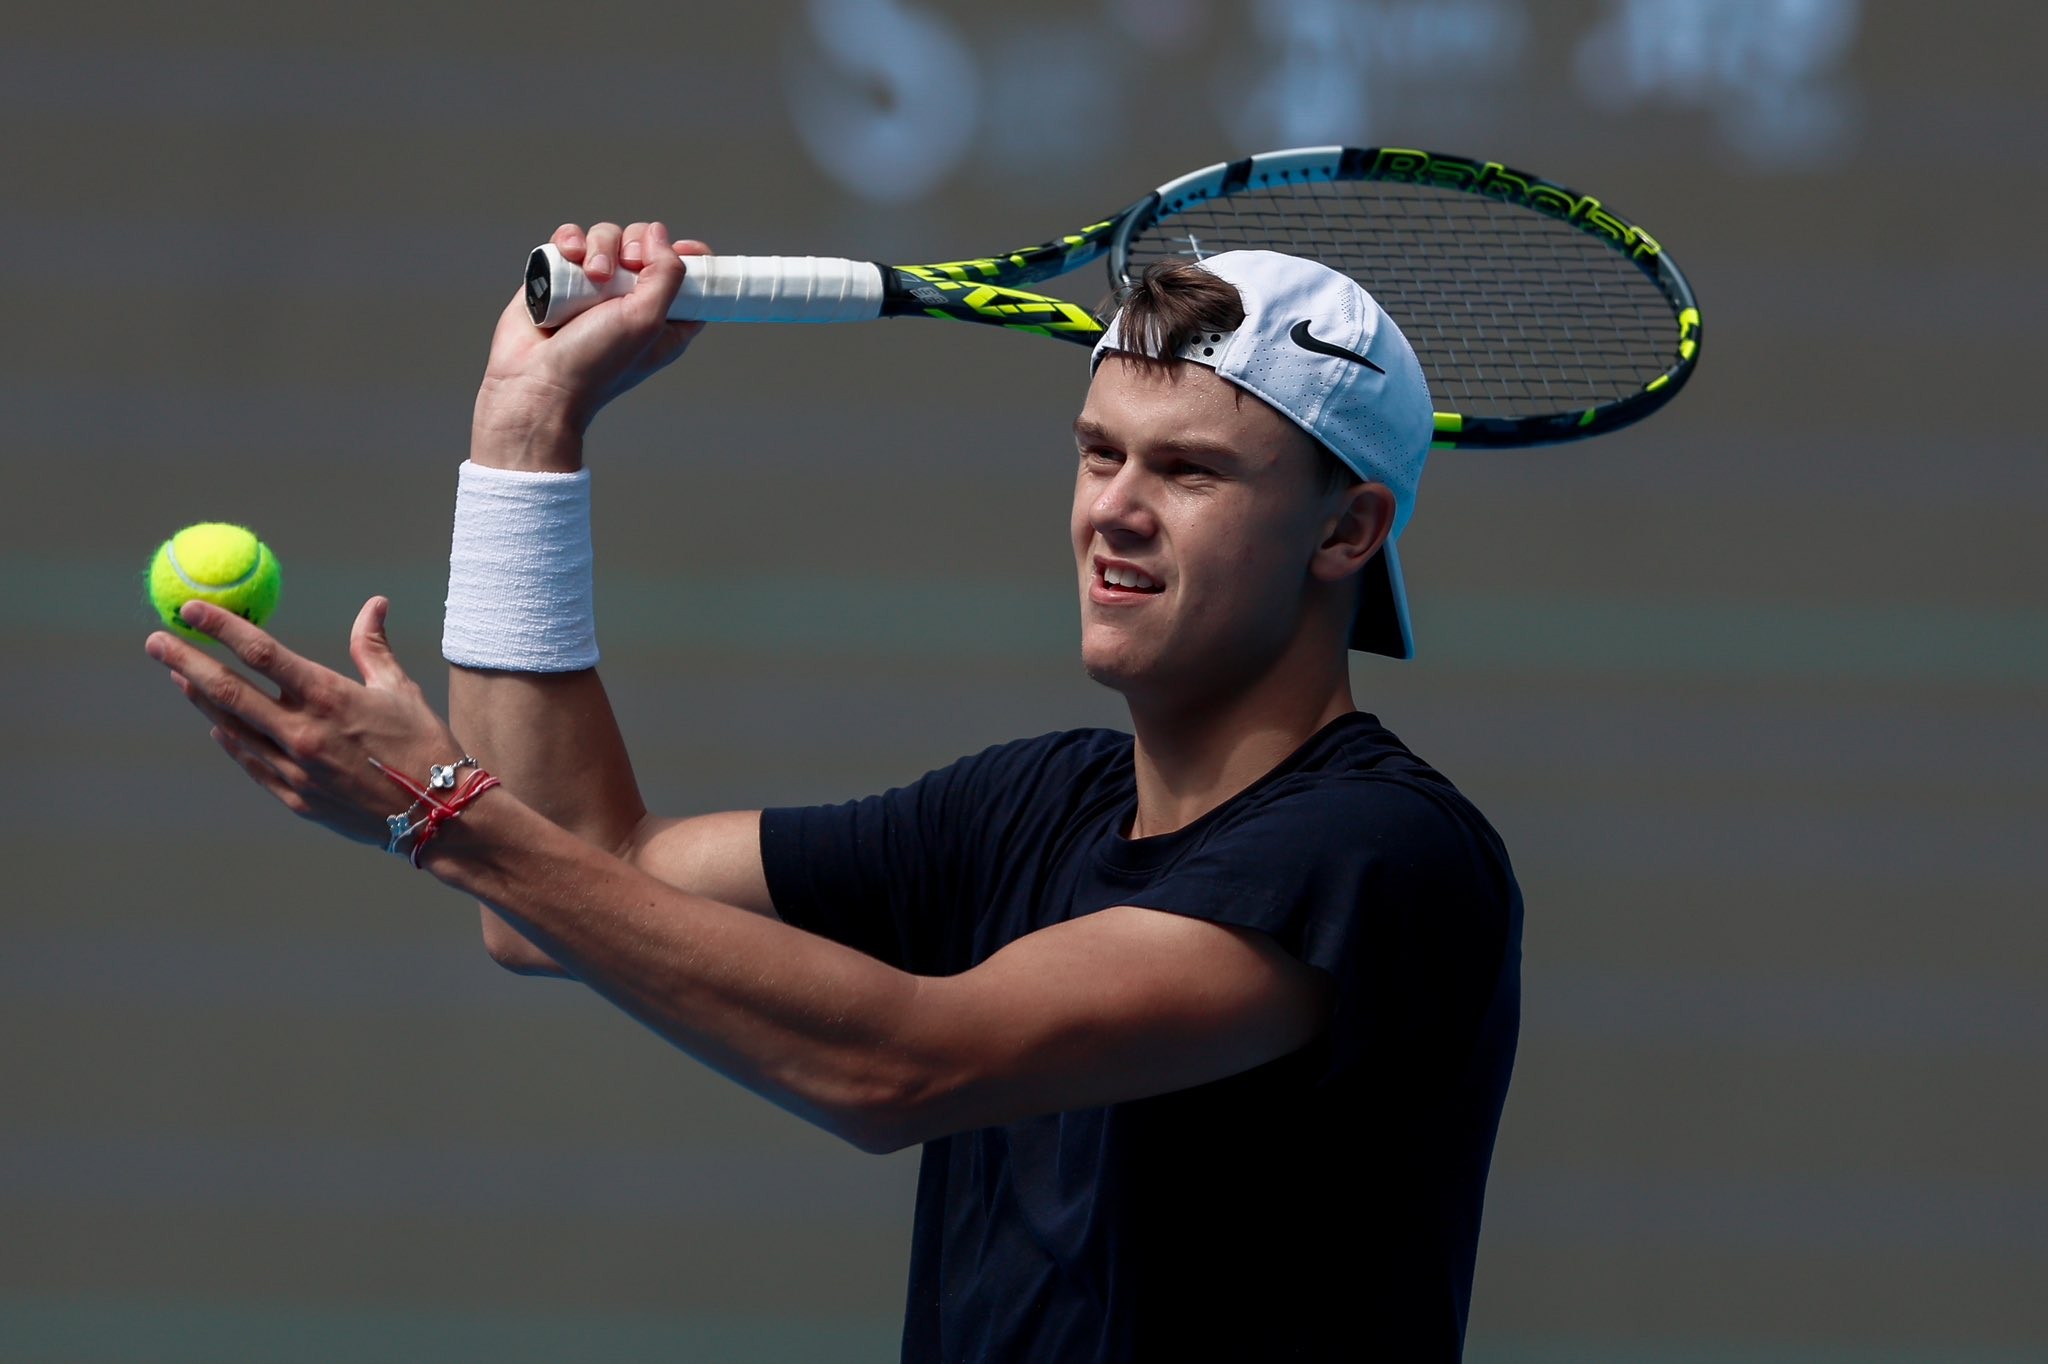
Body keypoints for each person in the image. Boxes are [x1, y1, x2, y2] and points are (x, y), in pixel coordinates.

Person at [146, 219, 1521, 1361]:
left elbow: (901, 1066)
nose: (1114, 507)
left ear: (1347, 530)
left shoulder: (1379, 852)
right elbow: (567, 881)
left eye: (1191, 471)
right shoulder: (1038, 805)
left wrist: (445, 807)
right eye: (1101, 452)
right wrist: (527, 425)